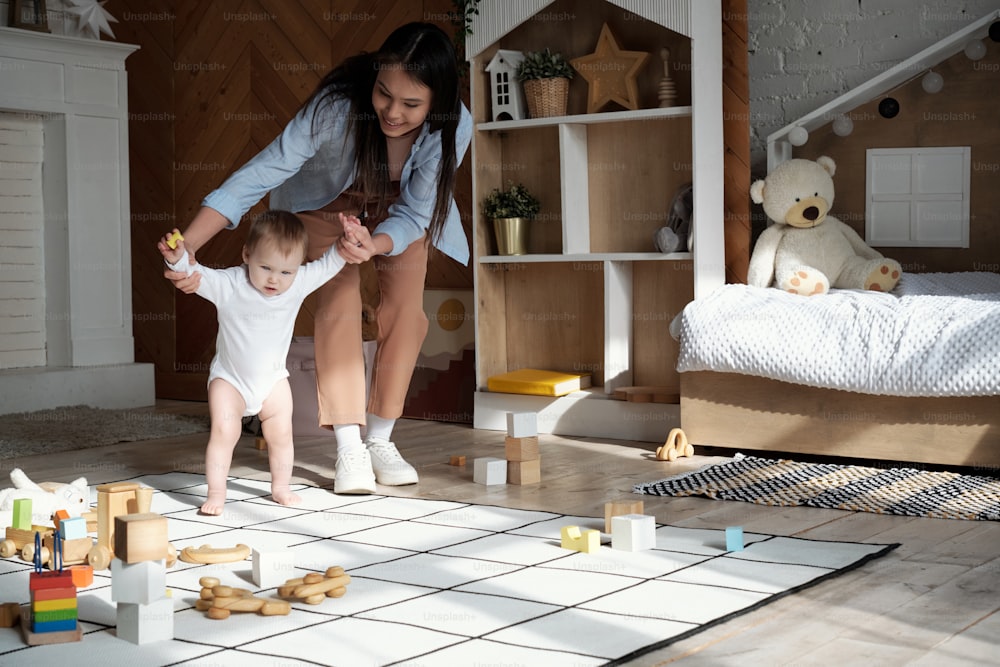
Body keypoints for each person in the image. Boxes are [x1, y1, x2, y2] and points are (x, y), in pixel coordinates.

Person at [164, 22, 472, 495]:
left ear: (439, 104)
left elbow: (414, 212)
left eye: (411, 105)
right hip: (326, 204)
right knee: (339, 300)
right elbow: (260, 172)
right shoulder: (335, 108)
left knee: (407, 314)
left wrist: (376, 244)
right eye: (384, 93)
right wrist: (191, 243)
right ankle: (349, 446)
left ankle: (381, 440)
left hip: (399, 216)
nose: (392, 112)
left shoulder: (455, 126)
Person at [158, 210, 358, 514]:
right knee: (225, 432)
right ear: (247, 254)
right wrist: (177, 259)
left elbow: (330, 263)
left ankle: (280, 487)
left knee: (281, 434)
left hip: (273, 380)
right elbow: (195, 275)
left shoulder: (299, 282)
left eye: (285, 272)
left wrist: (347, 239)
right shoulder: (230, 284)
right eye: (265, 267)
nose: (274, 279)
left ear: (297, 269)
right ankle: (216, 492)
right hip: (230, 380)